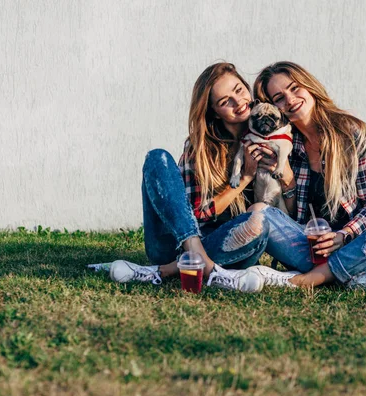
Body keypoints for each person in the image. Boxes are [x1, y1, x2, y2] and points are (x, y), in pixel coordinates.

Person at [245, 61, 366, 291]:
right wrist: (287, 180)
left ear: (309, 86)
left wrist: (343, 236)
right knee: (257, 213)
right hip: (316, 252)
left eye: (295, 88)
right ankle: (351, 280)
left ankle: (309, 279)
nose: (290, 99)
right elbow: (293, 217)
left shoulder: (353, 134)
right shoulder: (285, 146)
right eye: (279, 98)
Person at [109, 62, 272, 292]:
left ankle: (165, 271)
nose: (238, 102)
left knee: (260, 223)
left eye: (239, 90)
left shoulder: (266, 134)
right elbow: (193, 214)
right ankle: (206, 267)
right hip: (175, 243)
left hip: (227, 244)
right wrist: (245, 178)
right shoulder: (200, 147)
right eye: (225, 102)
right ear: (214, 111)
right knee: (157, 158)